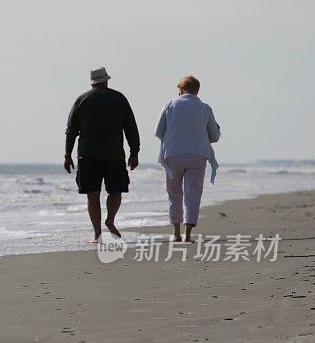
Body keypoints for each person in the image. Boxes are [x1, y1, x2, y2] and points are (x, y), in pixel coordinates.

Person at [64, 66, 140, 243]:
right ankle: (110, 220)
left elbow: (71, 130)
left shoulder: (81, 100)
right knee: (116, 190)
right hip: (114, 154)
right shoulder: (119, 98)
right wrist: (134, 152)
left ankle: (97, 234)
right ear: (106, 80)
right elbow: (131, 128)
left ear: (92, 82)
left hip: (87, 155)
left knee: (92, 194)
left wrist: (67, 154)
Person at [154, 75, 221, 242]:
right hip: (197, 155)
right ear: (197, 90)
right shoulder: (205, 108)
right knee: (193, 193)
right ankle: (188, 235)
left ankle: (176, 234)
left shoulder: (170, 104)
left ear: (181, 89)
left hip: (173, 154)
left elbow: (158, 131)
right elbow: (214, 136)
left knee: (174, 193)